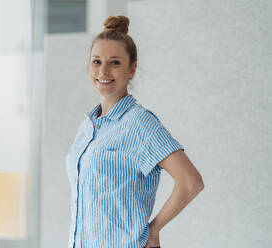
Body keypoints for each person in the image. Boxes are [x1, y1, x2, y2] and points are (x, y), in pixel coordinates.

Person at [65, 15, 204, 248]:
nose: (103, 70)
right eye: (96, 61)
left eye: (115, 62)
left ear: (132, 69)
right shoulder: (87, 126)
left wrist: (154, 230)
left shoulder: (140, 123)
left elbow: (191, 182)